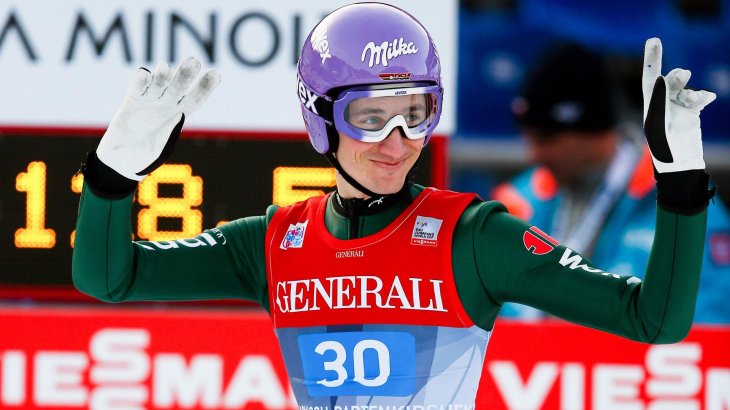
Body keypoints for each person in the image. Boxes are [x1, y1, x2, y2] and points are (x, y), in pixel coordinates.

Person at [72, 3, 717, 408]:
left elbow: (651, 321)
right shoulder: (272, 241)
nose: (397, 142)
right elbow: (109, 278)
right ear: (321, 120)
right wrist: (112, 175)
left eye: (414, 115)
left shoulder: (474, 235)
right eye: (369, 118)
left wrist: (681, 183)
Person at [493, 41, 730, 323]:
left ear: (595, 132)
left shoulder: (684, 204)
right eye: (528, 136)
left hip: (638, 367)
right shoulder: (517, 202)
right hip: (526, 364)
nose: (534, 153)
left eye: (547, 138)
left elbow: (709, 328)